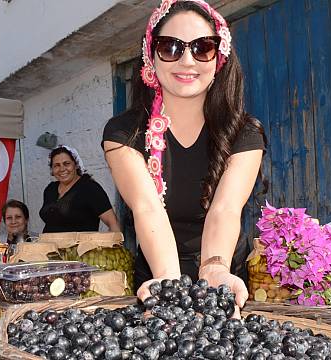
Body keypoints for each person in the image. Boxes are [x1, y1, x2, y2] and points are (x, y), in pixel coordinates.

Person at [102, 0, 265, 309]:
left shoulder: (244, 133)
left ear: (219, 56)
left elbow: (226, 209)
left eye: (202, 47)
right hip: (158, 277)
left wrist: (215, 268)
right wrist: (169, 285)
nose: (187, 60)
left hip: (225, 278)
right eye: (170, 47)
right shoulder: (124, 133)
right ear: (151, 56)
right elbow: (147, 209)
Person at [40, 145, 121, 233]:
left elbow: (113, 223)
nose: (62, 169)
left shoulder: (90, 188)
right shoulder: (50, 189)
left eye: (67, 164)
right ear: (52, 169)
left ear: (76, 165)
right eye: (56, 165)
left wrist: (113, 244)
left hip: (81, 246)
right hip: (50, 245)